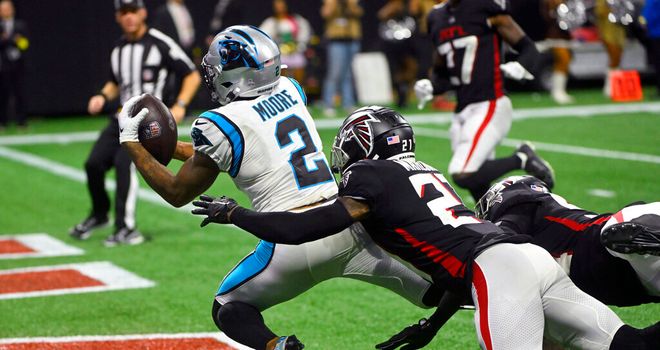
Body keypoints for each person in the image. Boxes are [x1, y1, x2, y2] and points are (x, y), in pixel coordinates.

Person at [192, 106, 660, 350]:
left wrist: (237, 214)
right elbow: (457, 254)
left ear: (362, 144)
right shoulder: (425, 170)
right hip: (529, 260)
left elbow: (309, 226)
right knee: (629, 346)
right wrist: (430, 326)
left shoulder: (369, 176)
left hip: (498, 273)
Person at [118, 25, 440, 350]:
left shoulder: (216, 124)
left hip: (291, 243)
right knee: (435, 293)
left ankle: (278, 346)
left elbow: (177, 192)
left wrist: (131, 142)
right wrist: (173, 147)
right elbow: (232, 149)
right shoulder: (290, 89)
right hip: (346, 224)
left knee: (229, 308)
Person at [69, 0, 200, 246]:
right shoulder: (118, 48)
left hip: (146, 124)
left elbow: (191, 74)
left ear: (143, 13)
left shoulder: (160, 42)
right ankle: (100, 215)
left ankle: (127, 228)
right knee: (93, 164)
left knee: (123, 165)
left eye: (132, 11)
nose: (129, 17)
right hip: (120, 117)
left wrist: (180, 105)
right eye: (123, 13)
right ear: (118, 17)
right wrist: (101, 96)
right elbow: (114, 82)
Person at [414, 0, 555, 201]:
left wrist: (522, 65)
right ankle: (494, 226)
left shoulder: (483, 7)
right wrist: (431, 86)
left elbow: (528, 48)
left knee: (463, 172)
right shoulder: (436, 17)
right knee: (477, 185)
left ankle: (521, 158)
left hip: (490, 102)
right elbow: (442, 71)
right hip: (462, 109)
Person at [476, 175, 660, 307]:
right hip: (622, 275)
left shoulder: (520, 209)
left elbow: (496, 243)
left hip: (604, 253)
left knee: (618, 229)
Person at [321, 0, 363, 117]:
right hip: (336, 41)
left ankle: (348, 103)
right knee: (335, 73)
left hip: (351, 39)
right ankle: (328, 104)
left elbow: (359, 12)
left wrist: (350, 3)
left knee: (348, 73)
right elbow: (326, 13)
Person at [260, 0, 312, 85]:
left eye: (281, 4)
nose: (280, 6)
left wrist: (300, 46)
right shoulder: (271, 22)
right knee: (281, 75)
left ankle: (299, 89)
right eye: (277, 4)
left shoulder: (296, 20)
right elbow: (263, 36)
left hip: (295, 52)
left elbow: (304, 33)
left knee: (299, 69)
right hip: (279, 54)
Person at [0, 0, 28, 131]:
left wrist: (14, 40)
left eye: (7, 8)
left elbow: (24, 44)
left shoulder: (20, 25)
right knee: (3, 95)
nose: (5, 11)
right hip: (3, 66)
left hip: (18, 66)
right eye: (2, 9)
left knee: (20, 94)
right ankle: (3, 123)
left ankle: (21, 122)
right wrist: (8, 39)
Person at [543, 0, 574, 104]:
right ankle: (557, 91)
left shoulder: (566, 2)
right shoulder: (549, 2)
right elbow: (547, 17)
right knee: (563, 60)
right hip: (555, 36)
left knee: (566, 61)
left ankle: (560, 90)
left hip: (565, 36)